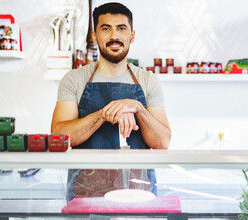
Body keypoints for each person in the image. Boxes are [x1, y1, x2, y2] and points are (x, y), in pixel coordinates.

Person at [51, 2, 171, 202]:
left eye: (121, 28)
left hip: (138, 193)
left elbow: (162, 142)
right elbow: (60, 137)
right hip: (86, 195)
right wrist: (102, 114)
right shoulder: (74, 79)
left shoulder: (148, 80)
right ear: (94, 36)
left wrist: (138, 108)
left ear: (132, 35)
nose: (114, 36)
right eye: (106, 28)